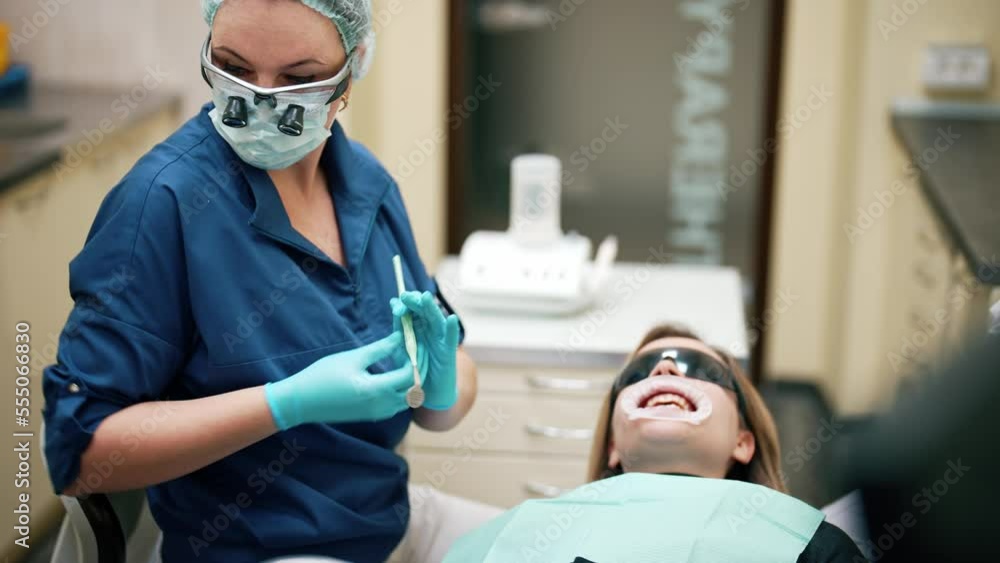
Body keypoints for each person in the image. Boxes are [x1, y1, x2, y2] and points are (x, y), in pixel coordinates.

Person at [41, 1, 477, 561]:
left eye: (298, 79)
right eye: (234, 68)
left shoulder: (366, 182)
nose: (261, 100)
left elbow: (442, 389)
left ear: (352, 69)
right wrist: (282, 404)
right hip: (259, 546)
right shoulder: (164, 202)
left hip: (386, 520)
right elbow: (81, 454)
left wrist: (441, 385)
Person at [445, 325, 863, 562]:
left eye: (698, 368)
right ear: (612, 446)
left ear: (743, 442)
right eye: (637, 373)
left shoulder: (811, 546)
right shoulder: (514, 536)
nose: (663, 369)